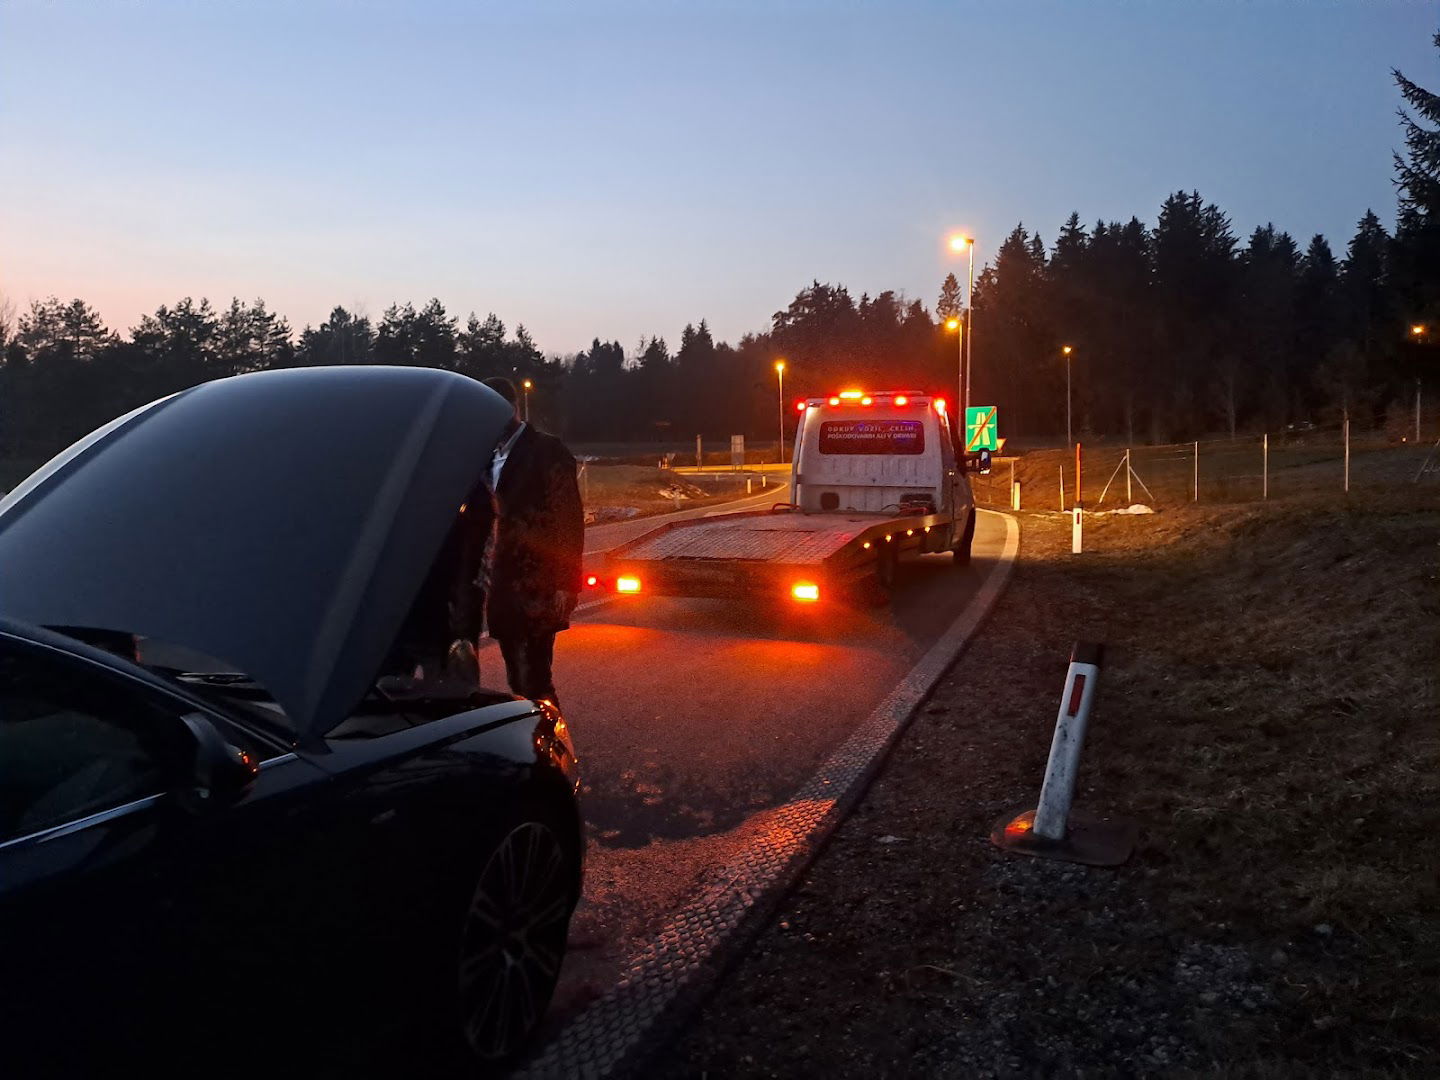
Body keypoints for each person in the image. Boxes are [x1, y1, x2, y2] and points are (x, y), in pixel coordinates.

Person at [478, 377, 584, 704]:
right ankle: (531, 745)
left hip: (539, 586)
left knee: (536, 678)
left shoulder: (547, 451)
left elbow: (568, 518)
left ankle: (550, 748)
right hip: (501, 585)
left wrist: (567, 583)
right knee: (516, 678)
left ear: (513, 408)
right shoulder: (483, 456)